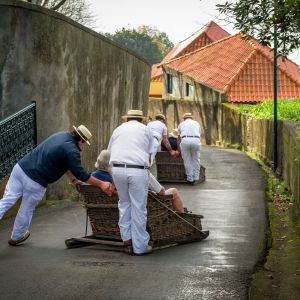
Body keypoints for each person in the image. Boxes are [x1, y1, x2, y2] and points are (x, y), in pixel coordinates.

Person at [0, 125, 112, 246]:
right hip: (36, 180)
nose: (83, 146)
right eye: (84, 143)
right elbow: (82, 174)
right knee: (26, 208)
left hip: (20, 169)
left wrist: (73, 180)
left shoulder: (61, 135)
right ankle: (16, 237)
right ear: (81, 141)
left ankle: (16, 234)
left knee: (6, 200)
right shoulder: (72, 150)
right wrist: (101, 184)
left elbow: (64, 163)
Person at [108, 109, 154, 255]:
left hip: (117, 169)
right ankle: (140, 247)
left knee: (124, 203)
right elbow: (151, 152)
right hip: (137, 170)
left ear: (127, 119)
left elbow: (110, 151)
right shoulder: (146, 130)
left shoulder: (118, 129)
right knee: (139, 207)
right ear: (141, 119)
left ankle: (126, 238)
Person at [177, 113, 201, 184]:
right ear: (191, 118)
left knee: (187, 160)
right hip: (196, 140)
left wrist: (179, 148)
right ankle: (196, 178)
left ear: (184, 118)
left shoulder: (181, 124)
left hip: (185, 140)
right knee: (196, 159)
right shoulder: (197, 123)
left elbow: (178, 138)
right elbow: (199, 135)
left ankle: (190, 179)